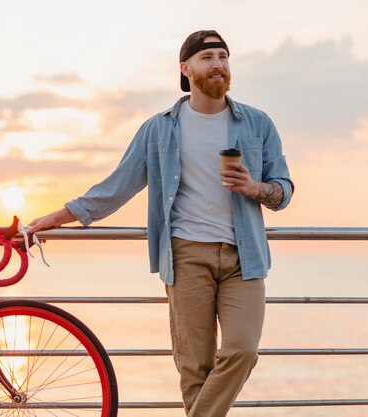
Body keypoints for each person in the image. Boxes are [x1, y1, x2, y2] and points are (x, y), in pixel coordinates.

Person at [30, 29, 294, 417]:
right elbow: (116, 188)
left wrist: (254, 188)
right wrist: (58, 217)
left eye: (223, 56)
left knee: (242, 350)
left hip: (245, 257)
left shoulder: (257, 123)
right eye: (207, 58)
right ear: (186, 69)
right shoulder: (160, 128)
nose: (218, 64)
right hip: (186, 255)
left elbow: (283, 191)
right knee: (195, 368)